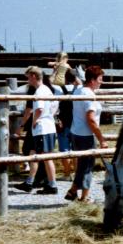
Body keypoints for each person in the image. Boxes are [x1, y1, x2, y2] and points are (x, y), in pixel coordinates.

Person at [65, 65, 108, 203]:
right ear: (92, 80)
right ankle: (84, 197)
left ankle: (73, 190)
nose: (101, 82)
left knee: (82, 166)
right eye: (100, 79)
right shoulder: (89, 94)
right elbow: (91, 119)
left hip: (76, 132)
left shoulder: (79, 90)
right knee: (88, 167)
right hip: (86, 135)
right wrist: (101, 139)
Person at [13, 66, 58, 194]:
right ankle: (30, 182)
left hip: (42, 128)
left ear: (33, 76)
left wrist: (34, 121)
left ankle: (52, 185)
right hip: (48, 126)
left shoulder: (39, 92)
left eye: (28, 77)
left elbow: (38, 109)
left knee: (46, 157)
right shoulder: (47, 90)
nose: (27, 80)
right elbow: (55, 106)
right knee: (34, 153)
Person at [55, 68, 81, 180]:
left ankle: (66, 173)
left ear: (65, 78)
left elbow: (55, 106)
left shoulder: (59, 90)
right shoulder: (79, 89)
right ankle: (76, 173)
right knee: (75, 149)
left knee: (64, 149)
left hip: (63, 123)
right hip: (75, 123)